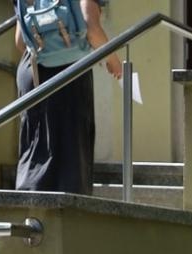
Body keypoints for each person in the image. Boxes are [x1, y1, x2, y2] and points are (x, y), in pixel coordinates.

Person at [13, 0, 121, 194]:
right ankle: (71, 207)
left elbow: (20, 41)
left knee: (37, 145)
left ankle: (30, 202)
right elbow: (91, 28)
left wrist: (47, 53)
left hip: (33, 70)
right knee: (71, 151)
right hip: (70, 72)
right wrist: (112, 60)